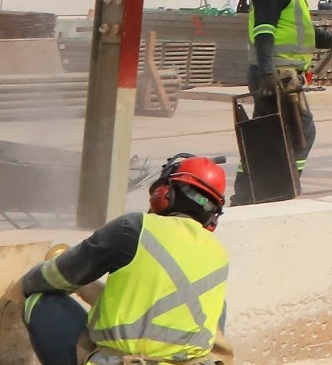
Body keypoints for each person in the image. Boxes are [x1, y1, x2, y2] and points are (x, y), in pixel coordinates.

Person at [18, 154, 230, 365]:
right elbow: (146, 307)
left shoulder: (132, 228)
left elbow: (59, 275)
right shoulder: (219, 255)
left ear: (164, 192)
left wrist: (22, 286)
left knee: (41, 301)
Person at [248, 0, 332, 179]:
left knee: (268, 134)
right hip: (276, 75)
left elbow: (296, 33)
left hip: (279, 74)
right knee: (299, 132)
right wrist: (267, 72)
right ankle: (281, 184)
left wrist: (329, 39)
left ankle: (254, 187)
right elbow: (264, 31)